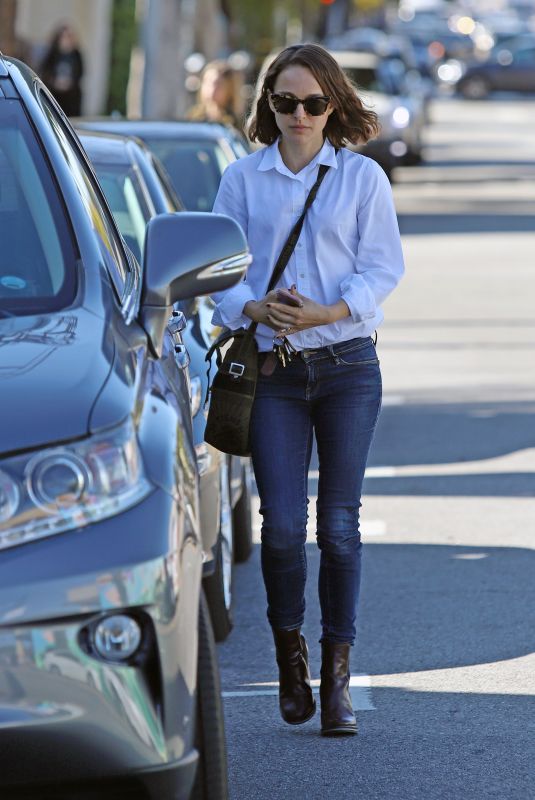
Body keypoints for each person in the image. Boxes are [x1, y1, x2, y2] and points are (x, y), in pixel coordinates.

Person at [211, 43, 404, 736]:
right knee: (284, 528)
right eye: (285, 102)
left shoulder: (360, 180)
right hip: (274, 373)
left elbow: (382, 268)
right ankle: (289, 655)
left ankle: (336, 681)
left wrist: (327, 311)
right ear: (268, 105)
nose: (299, 115)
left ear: (333, 107)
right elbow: (219, 272)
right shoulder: (241, 180)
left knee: (341, 529)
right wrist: (253, 307)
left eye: (313, 103)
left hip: (347, 366)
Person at [40, 24, 83, 117]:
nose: (66, 39)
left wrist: (69, 83)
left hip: (72, 98)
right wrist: (55, 82)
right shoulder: (52, 54)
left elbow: (80, 73)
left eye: (69, 36)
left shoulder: (76, 54)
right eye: (64, 36)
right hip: (55, 96)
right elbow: (45, 71)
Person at [188, 60, 244, 129]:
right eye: (207, 82)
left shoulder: (234, 125)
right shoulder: (193, 117)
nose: (212, 89)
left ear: (230, 89)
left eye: (218, 85)